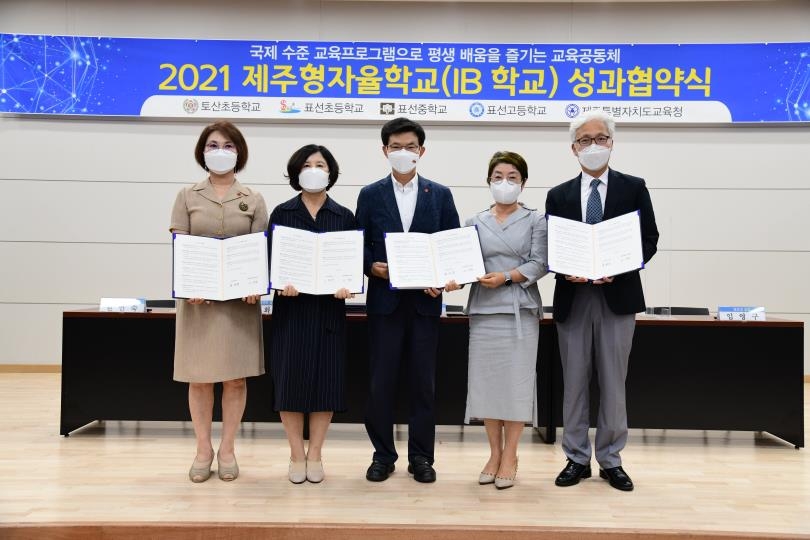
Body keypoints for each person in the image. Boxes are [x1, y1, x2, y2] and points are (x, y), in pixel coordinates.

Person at [545, 111, 659, 492]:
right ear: (573, 148)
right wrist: (564, 270)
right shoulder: (558, 194)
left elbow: (649, 239)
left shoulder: (633, 187)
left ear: (611, 143)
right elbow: (551, 246)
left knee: (614, 383)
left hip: (617, 296)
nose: (592, 146)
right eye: (584, 140)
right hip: (574, 297)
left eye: (600, 138)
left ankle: (611, 459)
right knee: (574, 382)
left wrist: (621, 268)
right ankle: (576, 458)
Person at [356, 117, 460, 483]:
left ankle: (421, 457)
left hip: (425, 305)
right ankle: (382, 454)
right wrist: (374, 269)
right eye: (396, 147)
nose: (403, 153)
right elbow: (360, 248)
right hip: (385, 303)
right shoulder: (370, 195)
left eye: (410, 147)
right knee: (380, 382)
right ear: (385, 151)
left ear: (422, 151)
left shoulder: (441, 194)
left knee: (423, 384)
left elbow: (451, 248)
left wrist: (444, 280)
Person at [170, 120, 268, 483]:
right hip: (199, 304)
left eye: (227, 145)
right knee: (199, 380)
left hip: (239, 304)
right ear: (202, 151)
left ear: (239, 152)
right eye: (213, 145)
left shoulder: (253, 198)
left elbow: (260, 251)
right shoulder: (187, 195)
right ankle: (202, 449)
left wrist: (257, 283)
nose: (220, 151)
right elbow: (181, 246)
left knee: (235, 381)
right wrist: (190, 283)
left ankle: (227, 449)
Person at [453, 151, 548, 490]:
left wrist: (507, 277)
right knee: (488, 386)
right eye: (497, 176)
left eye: (512, 176)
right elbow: (462, 265)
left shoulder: (537, 220)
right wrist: (450, 277)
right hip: (483, 310)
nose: (504, 182)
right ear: (488, 180)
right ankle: (493, 453)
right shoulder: (473, 221)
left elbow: (540, 264)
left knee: (515, 386)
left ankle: (511, 454)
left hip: (519, 310)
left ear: (523, 182)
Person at [267, 144, 357, 484]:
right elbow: (269, 261)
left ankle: (316, 453)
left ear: (330, 172)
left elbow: (352, 261)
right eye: (307, 164)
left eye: (320, 164)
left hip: (329, 310)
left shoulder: (344, 216)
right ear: (296, 171)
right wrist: (278, 282)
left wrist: (348, 284)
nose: (314, 170)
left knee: (326, 382)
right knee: (289, 380)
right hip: (292, 308)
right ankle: (295, 454)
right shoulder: (282, 213)